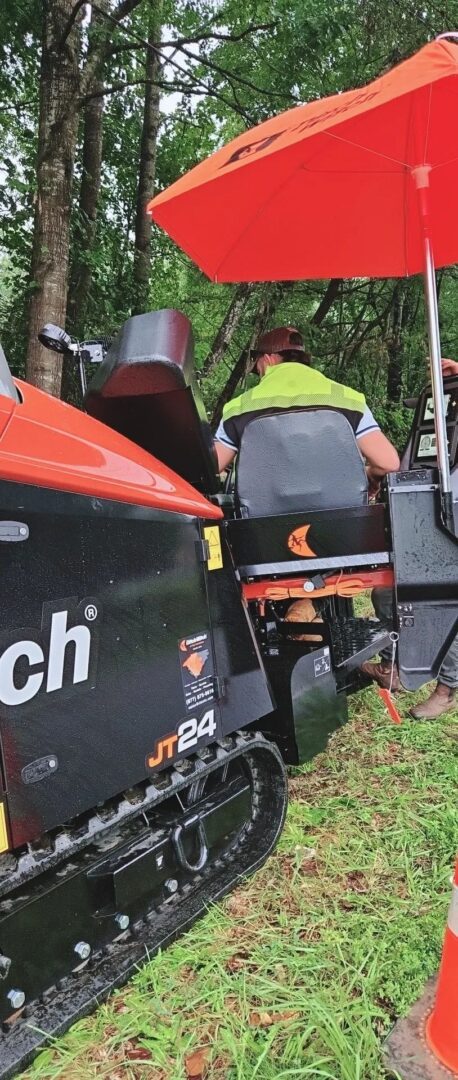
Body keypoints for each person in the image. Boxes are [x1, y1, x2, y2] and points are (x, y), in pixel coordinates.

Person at [362, 357, 458, 718]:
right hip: (425, 521)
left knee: (441, 602)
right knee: (386, 593)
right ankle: (397, 669)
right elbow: (401, 473)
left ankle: (446, 689)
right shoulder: (429, 442)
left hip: (449, 523)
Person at [214, 327, 400, 484]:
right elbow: (388, 463)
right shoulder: (349, 400)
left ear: (267, 359)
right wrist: (368, 477)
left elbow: (212, 468)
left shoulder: (238, 408)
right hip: (340, 518)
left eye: (258, 368)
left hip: (262, 523)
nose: (260, 373)